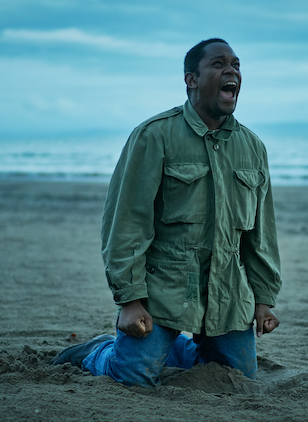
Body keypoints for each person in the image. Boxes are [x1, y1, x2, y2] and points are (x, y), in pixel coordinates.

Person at [52, 38, 282, 388]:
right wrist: (129, 301)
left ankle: (173, 349)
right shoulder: (154, 135)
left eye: (236, 64)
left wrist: (264, 299)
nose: (231, 70)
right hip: (164, 289)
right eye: (219, 64)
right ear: (191, 79)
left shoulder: (252, 148)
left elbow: (260, 233)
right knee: (131, 377)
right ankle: (97, 351)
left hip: (228, 293)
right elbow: (126, 222)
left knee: (239, 377)